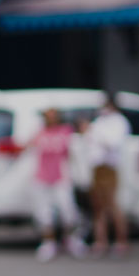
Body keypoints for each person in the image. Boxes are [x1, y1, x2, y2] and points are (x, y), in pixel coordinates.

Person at [29, 108, 87, 262]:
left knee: (67, 210)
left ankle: (71, 240)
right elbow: (29, 149)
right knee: (45, 212)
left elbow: (75, 153)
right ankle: (49, 243)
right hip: (42, 177)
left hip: (61, 177)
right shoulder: (39, 133)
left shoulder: (66, 132)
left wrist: (80, 175)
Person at [83, 94, 131, 258]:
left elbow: (113, 143)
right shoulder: (100, 122)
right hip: (97, 166)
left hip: (109, 167)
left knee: (112, 204)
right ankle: (100, 241)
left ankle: (121, 241)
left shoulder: (118, 121)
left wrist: (95, 134)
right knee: (98, 205)